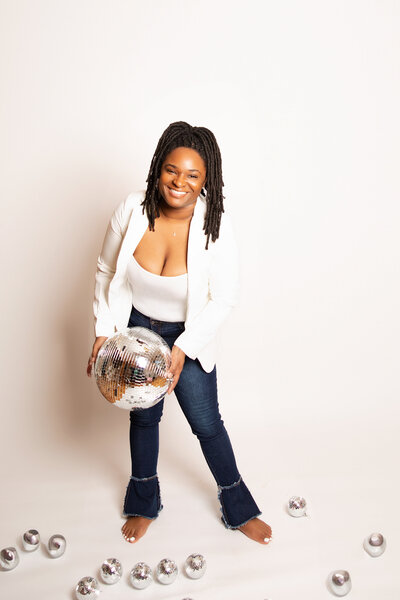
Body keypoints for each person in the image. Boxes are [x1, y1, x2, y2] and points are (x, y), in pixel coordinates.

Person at [87, 121, 272, 545]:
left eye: (193, 175)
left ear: (206, 181)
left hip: (188, 333)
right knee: (145, 416)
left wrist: (183, 349)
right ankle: (143, 501)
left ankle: (238, 508)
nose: (180, 182)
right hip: (135, 328)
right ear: (158, 168)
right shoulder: (131, 209)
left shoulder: (215, 227)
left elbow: (224, 299)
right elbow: (106, 272)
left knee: (207, 423)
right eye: (173, 169)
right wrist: (105, 332)